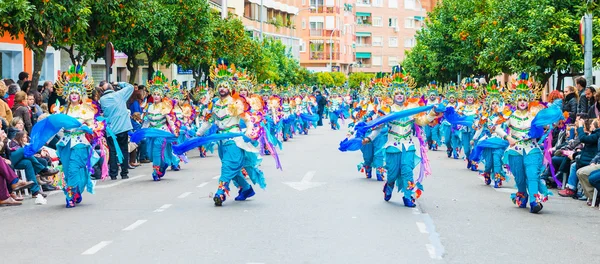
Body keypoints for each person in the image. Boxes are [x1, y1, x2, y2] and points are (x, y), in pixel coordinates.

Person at [196, 62, 265, 206]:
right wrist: (199, 133)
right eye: (220, 86)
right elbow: (209, 121)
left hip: (234, 141)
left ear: (230, 88)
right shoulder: (214, 104)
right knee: (233, 169)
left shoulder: (236, 103)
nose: (222, 89)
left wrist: (248, 133)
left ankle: (220, 193)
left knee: (227, 167)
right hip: (221, 142)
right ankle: (246, 189)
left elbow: (248, 120)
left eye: (225, 86)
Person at [54, 65, 106, 208]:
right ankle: (74, 191)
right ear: (67, 94)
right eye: (71, 92)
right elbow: (57, 126)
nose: (74, 95)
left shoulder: (87, 109)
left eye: (77, 92)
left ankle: (71, 195)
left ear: (81, 93)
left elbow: (94, 126)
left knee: (74, 168)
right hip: (65, 143)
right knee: (67, 169)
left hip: (80, 143)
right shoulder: (63, 110)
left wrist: (88, 128)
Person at [100, 82, 134, 180]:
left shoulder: (102, 100)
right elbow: (130, 87)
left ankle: (113, 173)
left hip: (111, 130)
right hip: (123, 127)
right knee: (124, 149)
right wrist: (119, 83)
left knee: (113, 151)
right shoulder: (120, 94)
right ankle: (124, 173)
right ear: (113, 88)